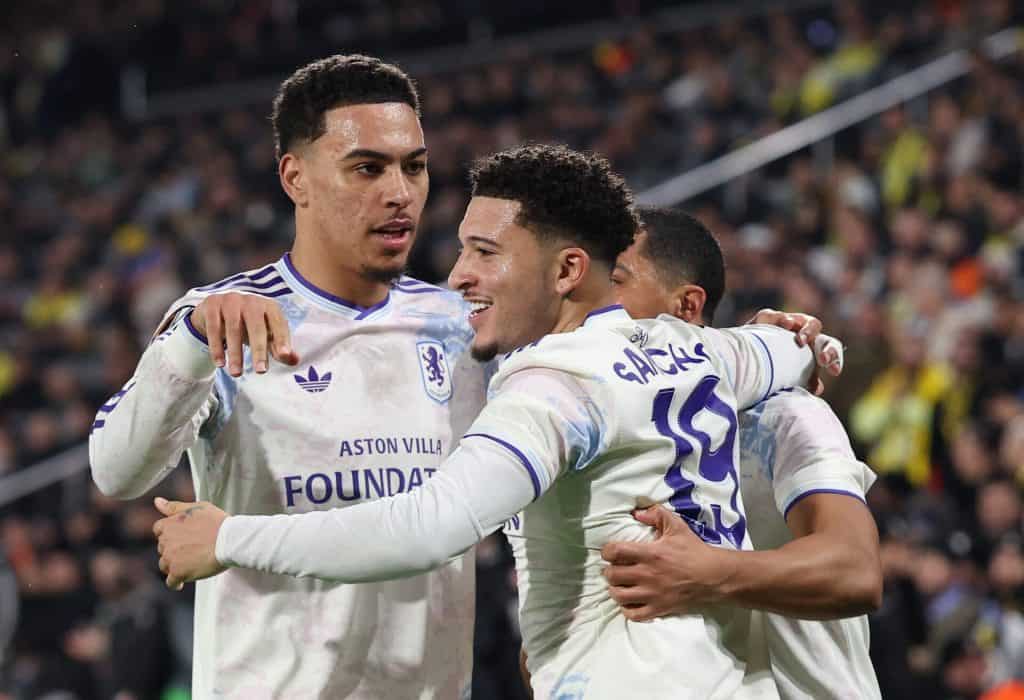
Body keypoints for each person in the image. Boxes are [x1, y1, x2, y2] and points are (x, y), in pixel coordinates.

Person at [153, 144, 841, 699]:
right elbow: (793, 349)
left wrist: (229, 537)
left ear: (568, 268)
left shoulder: (555, 388)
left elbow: (429, 528)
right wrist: (807, 342)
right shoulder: (706, 351)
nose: (456, 276)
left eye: (485, 252)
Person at [89, 54, 489, 699]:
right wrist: (192, 345)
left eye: (414, 167)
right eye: (367, 168)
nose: (400, 193)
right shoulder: (218, 321)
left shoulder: (461, 326)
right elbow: (117, 471)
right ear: (295, 177)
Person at [603, 206, 883, 699]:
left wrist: (705, 573)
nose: (597, 304)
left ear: (687, 307)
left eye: (616, 280)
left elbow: (854, 569)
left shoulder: (780, 415)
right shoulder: (605, 442)